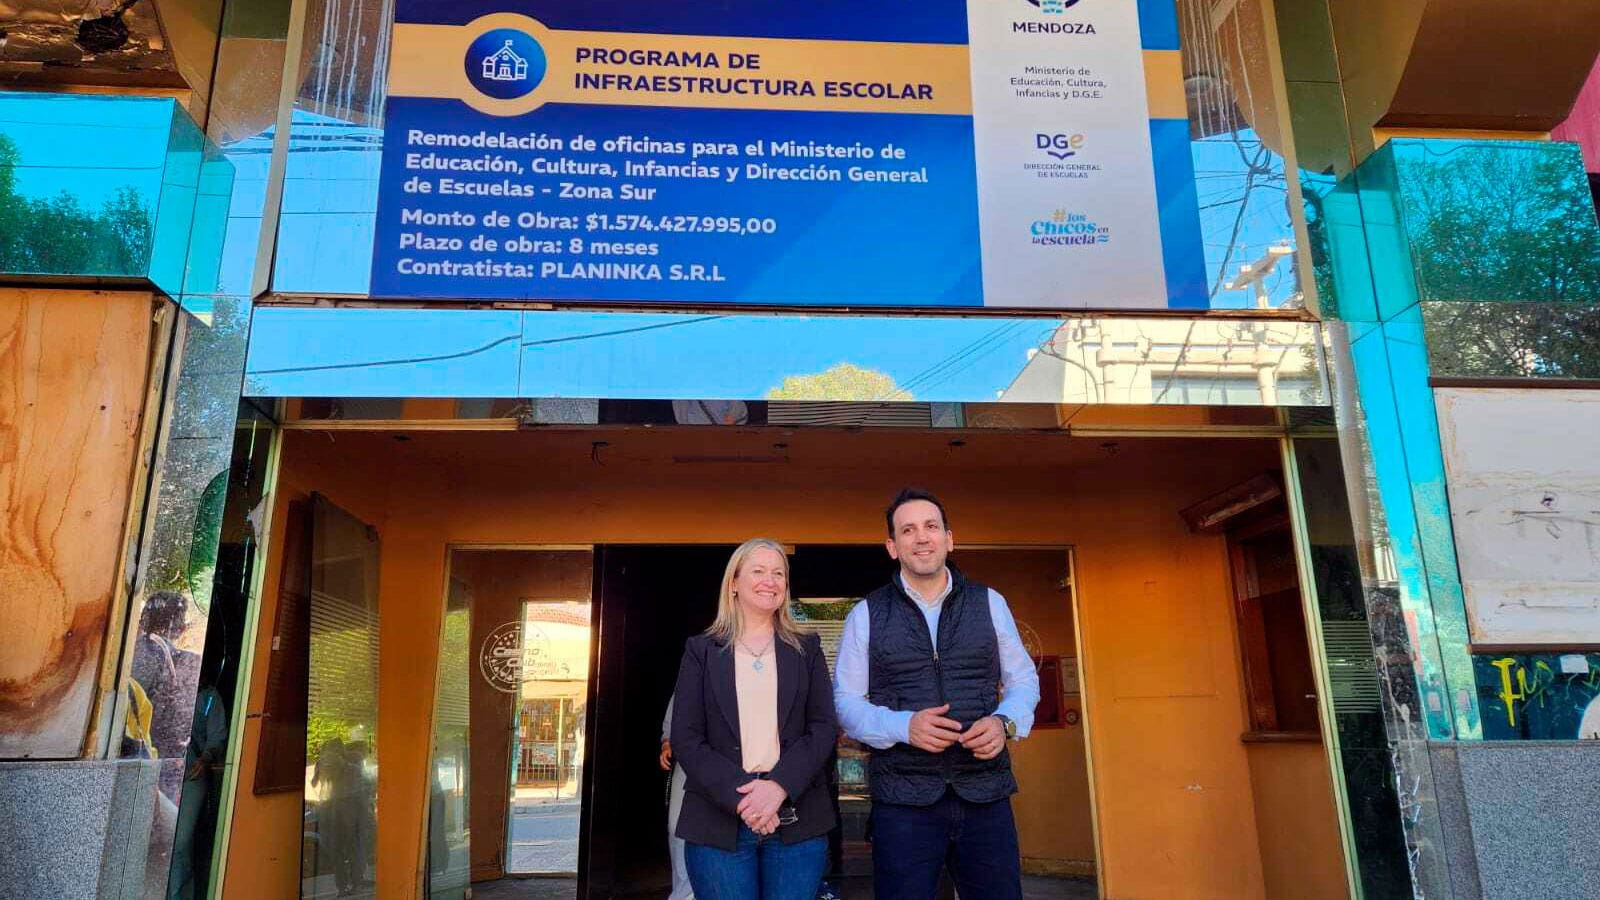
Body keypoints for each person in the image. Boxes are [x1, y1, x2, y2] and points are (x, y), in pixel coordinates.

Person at [833, 488, 1041, 900]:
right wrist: (903, 726)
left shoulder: (990, 603)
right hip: (904, 802)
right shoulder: (866, 614)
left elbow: (1023, 680)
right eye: (907, 530)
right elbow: (846, 703)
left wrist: (1005, 723)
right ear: (892, 547)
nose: (921, 538)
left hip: (985, 793)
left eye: (931, 526)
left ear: (950, 538)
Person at [671, 538, 838, 900]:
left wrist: (777, 787)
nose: (771, 580)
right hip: (718, 822)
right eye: (759, 571)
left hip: (797, 820)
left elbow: (823, 728)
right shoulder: (701, 651)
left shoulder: (806, 648)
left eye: (779, 573)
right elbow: (686, 737)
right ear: (734, 582)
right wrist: (747, 799)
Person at [660, 697, 695, 900]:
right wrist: (668, 741)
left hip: (726, 762)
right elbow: (675, 708)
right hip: (688, 758)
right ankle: (683, 894)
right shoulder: (692, 667)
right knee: (677, 828)